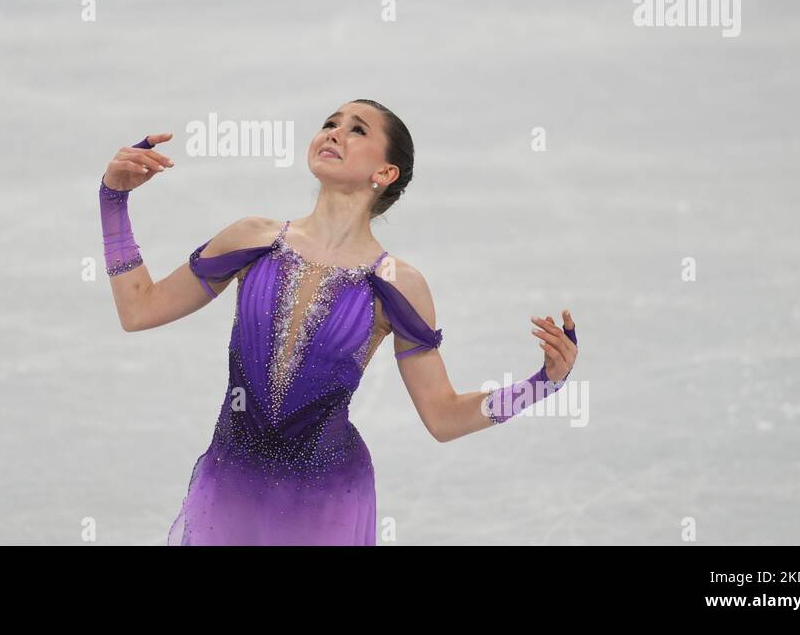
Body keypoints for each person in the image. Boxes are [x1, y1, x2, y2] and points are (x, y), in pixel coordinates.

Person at [98, 99, 580, 545]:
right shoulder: (252, 239)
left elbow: (444, 417)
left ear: (385, 172)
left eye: (356, 130)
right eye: (330, 123)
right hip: (232, 483)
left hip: (327, 500)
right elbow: (139, 309)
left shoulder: (396, 283)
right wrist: (113, 201)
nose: (333, 133)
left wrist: (543, 384)